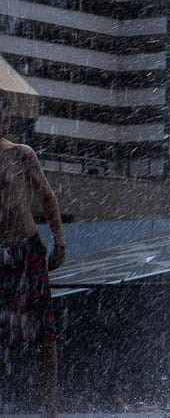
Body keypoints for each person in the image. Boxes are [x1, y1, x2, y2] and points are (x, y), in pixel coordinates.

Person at [0, 91, 66, 418]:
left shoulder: (20, 154)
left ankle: (49, 406)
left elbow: (47, 197)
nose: (6, 120)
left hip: (26, 249)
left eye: (5, 115)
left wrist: (60, 241)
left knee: (45, 333)